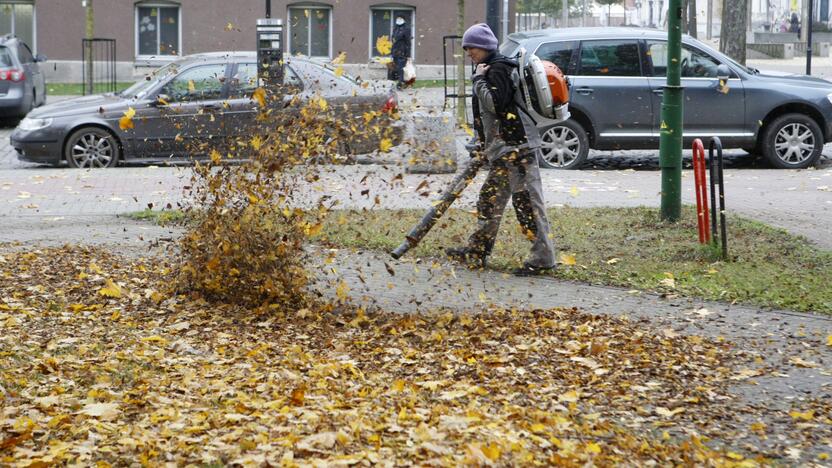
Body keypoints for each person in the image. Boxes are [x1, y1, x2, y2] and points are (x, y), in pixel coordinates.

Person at [445, 23, 557, 276]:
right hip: (503, 150)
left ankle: (543, 259)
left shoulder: (498, 69)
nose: (468, 53)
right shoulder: (490, 69)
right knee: (489, 201)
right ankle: (477, 251)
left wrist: (478, 81)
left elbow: (496, 104)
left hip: (518, 149)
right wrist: (481, 143)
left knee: (527, 204)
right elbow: (486, 116)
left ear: (484, 47)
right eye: (466, 48)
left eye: (471, 47)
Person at [389, 15, 412, 89]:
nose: (398, 19)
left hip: (402, 51)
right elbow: (393, 41)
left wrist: (408, 54)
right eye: (397, 18)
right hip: (395, 51)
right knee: (396, 68)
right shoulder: (395, 29)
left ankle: (400, 84)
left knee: (400, 68)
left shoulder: (406, 29)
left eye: (400, 18)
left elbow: (408, 42)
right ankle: (398, 82)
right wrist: (391, 53)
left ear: (404, 20)